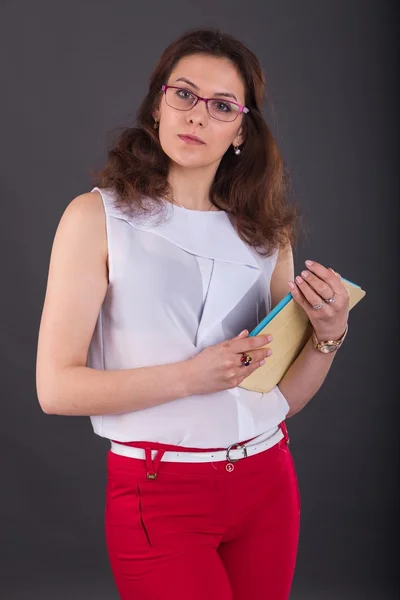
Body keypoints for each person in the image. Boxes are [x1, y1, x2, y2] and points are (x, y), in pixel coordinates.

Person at [36, 28, 350, 600]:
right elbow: (55, 389)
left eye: (222, 106)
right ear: (157, 102)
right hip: (158, 490)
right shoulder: (95, 218)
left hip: (267, 481)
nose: (197, 116)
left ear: (240, 131)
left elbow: (278, 399)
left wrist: (329, 336)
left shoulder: (267, 234)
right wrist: (191, 376)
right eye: (183, 93)